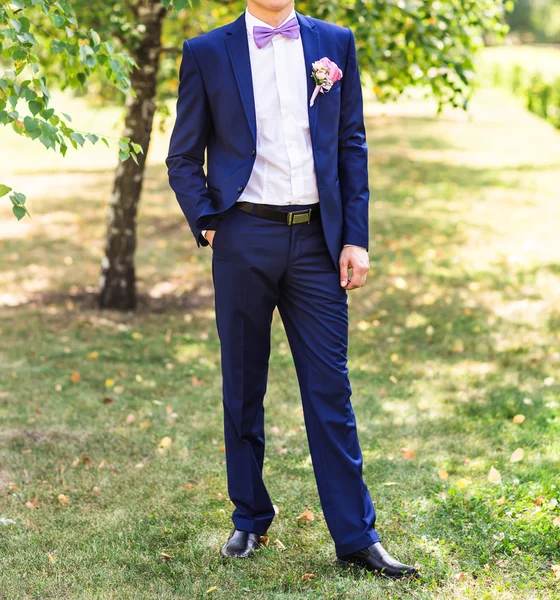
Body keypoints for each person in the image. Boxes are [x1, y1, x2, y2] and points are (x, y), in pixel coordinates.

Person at [166, 0, 417, 579]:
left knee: (332, 390)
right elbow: (183, 154)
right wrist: (207, 217)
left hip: (317, 245)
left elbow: (351, 144)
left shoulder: (337, 42)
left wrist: (356, 237)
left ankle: (356, 536)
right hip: (243, 235)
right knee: (242, 384)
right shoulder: (206, 52)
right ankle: (249, 517)